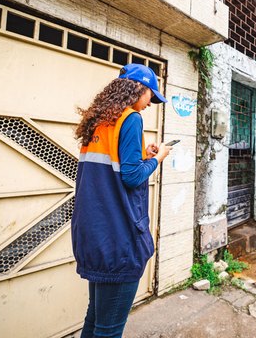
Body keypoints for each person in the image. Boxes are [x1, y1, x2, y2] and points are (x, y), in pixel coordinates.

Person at [72, 63, 173, 338]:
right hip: (118, 239)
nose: (150, 103)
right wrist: (157, 158)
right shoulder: (131, 118)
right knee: (109, 330)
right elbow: (130, 177)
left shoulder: (100, 121)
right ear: (137, 89)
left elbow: (114, 167)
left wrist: (143, 151)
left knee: (95, 320)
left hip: (95, 235)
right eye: (150, 95)